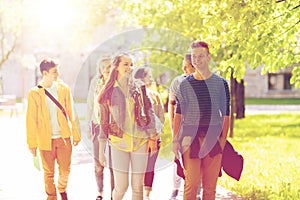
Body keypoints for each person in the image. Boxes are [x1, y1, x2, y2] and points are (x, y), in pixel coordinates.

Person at [172, 41, 230, 200]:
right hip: (189, 139)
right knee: (191, 185)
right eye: (194, 57)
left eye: (201, 56)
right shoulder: (184, 85)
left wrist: (223, 140)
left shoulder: (221, 83)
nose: (197, 60)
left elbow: (226, 114)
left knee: (210, 188)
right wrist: (175, 139)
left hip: (213, 137)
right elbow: (179, 114)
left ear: (208, 57)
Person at [97, 53, 158, 200]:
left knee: (138, 187)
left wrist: (153, 136)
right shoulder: (108, 92)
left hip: (140, 142)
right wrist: (101, 152)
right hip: (119, 144)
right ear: (116, 67)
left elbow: (149, 111)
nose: (130, 67)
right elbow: (104, 123)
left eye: (131, 64)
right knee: (121, 187)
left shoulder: (139, 87)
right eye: (125, 64)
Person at [26, 58, 81, 200]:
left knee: (65, 171)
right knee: (48, 173)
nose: (58, 74)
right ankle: (52, 197)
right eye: (54, 71)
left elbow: (72, 112)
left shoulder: (64, 89)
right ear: (45, 73)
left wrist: (76, 134)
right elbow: (31, 120)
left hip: (63, 138)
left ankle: (62, 188)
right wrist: (32, 144)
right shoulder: (35, 93)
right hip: (45, 140)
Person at [168, 54, 199, 200]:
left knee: (196, 159)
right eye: (183, 66)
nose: (183, 69)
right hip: (181, 128)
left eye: (186, 66)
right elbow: (172, 106)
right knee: (178, 159)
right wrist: (173, 128)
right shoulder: (178, 81)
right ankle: (175, 189)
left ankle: (196, 192)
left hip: (198, 129)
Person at [133, 67, 165, 200]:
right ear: (141, 78)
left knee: (149, 167)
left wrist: (156, 135)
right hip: (140, 139)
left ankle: (146, 195)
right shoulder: (134, 95)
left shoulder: (155, 96)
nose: (151, 79)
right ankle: (141, 194)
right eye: (149, 76)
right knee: (142, 168)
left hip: (154, 137)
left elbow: (160, 117)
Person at [86, 56, 114, 200]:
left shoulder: (117, 83)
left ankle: (114, 194)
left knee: (114, 164)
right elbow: (90, 104)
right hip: (97, 126)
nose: (108, 70)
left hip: (114, 129)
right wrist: (87, 125)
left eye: (110, 66)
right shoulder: (95, 83)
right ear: (100, 70)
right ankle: (100, 192)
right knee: (98, 163)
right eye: (105, 67)